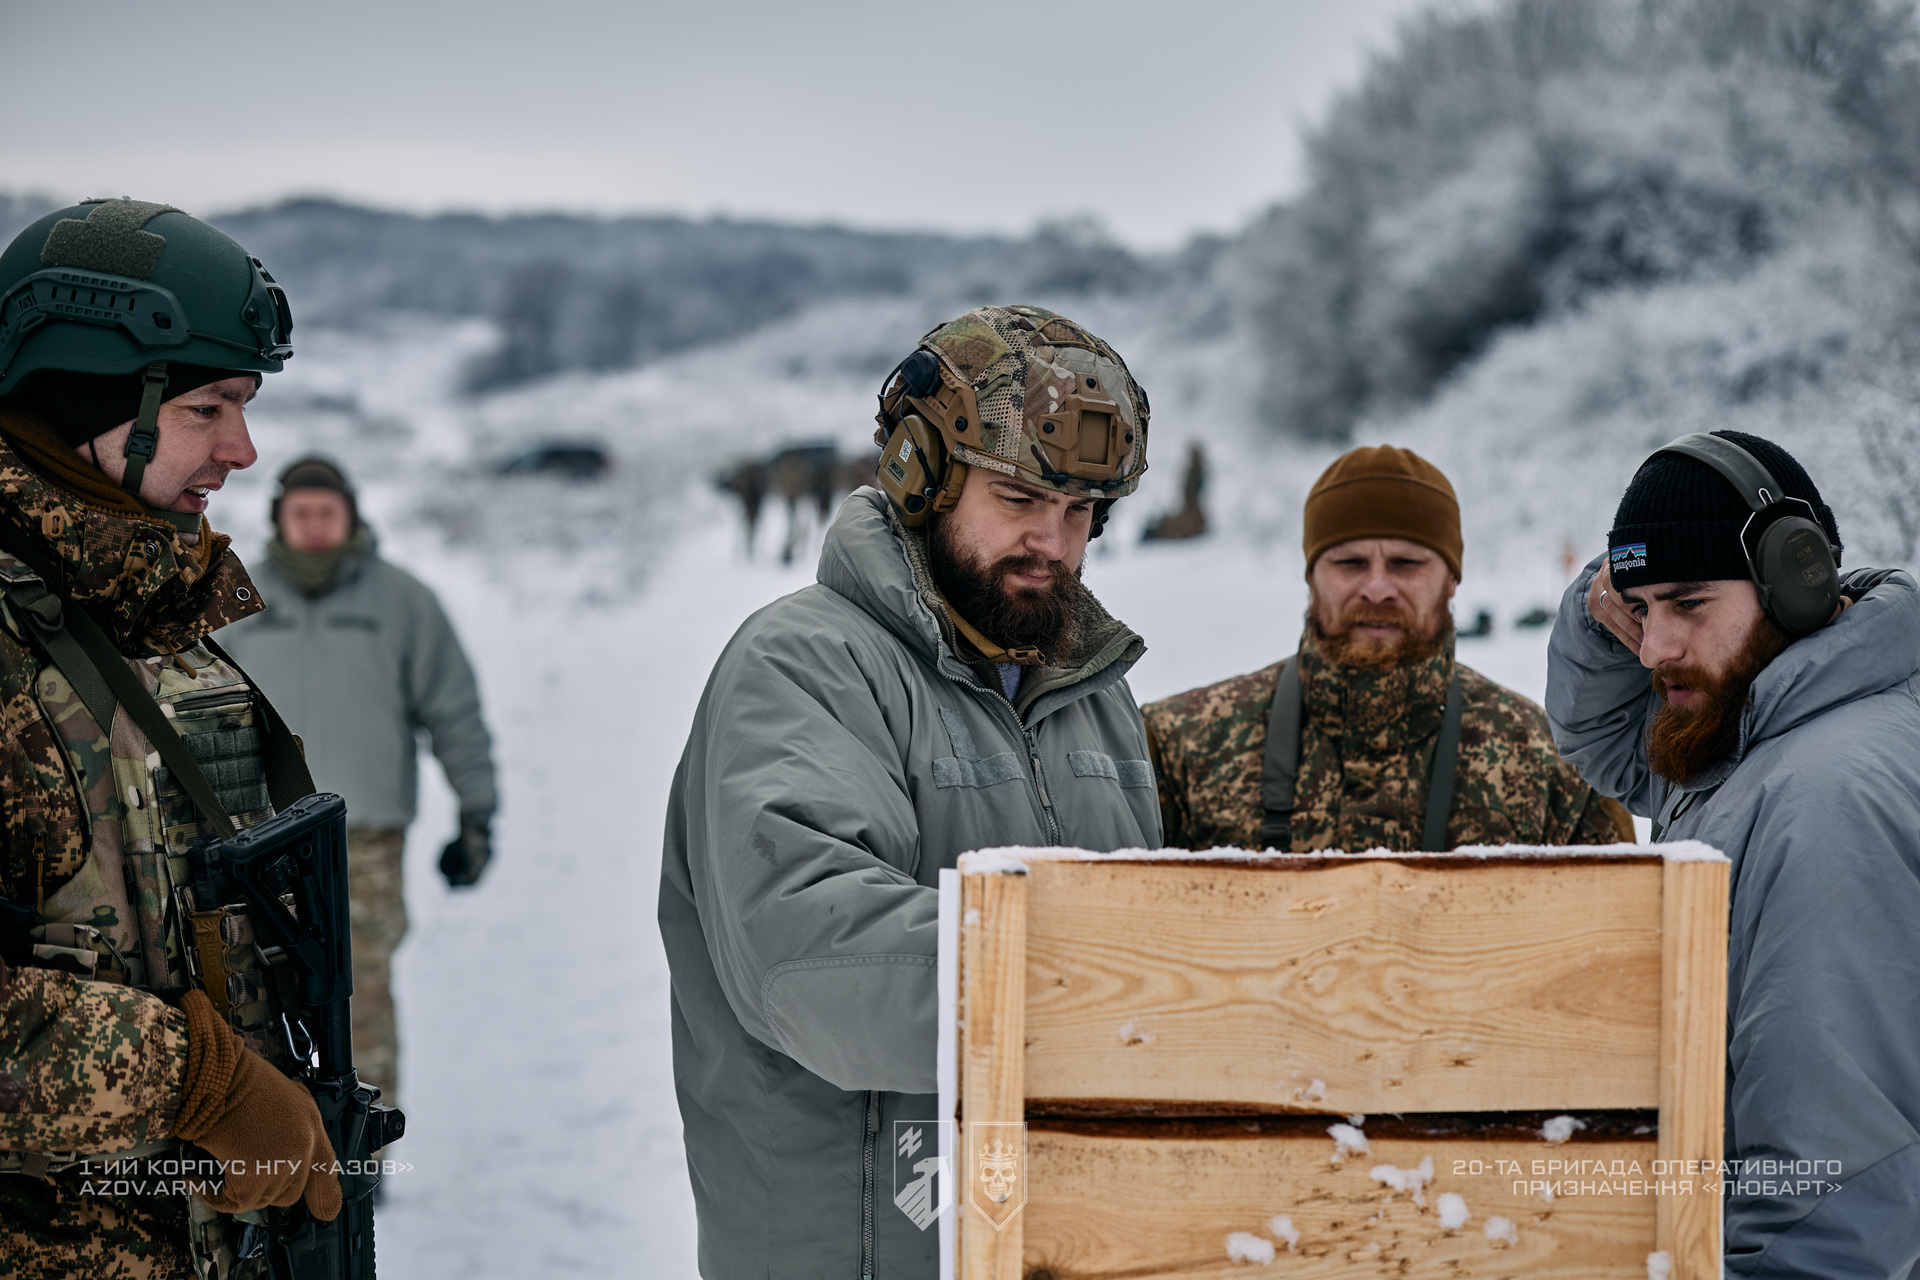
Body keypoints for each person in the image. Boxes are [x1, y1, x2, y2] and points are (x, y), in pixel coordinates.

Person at [660, 305, 1161, 1278]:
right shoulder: (802, 664)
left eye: (1081, 513)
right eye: (1021, 496)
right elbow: (810, 962)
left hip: (1050, 1243)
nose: (1052, 542)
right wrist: (1137, 989)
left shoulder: (1091, 693)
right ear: (916, 473)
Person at [0, 199, 340, 1275]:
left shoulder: (137, 615)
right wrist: (197, 1083)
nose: (244, 449)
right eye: (208, 407)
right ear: (83, 401)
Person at [1547, 430, 1920, 1276]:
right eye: (1638, 611)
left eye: (1688, 604)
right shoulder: (1759, 726)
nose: (1651, 650)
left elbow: (1838, 1193)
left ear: (1797, 583)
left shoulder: (1823, 802)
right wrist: (1601, 605)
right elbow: (1604, 742)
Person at [1146, 445, 1631, 852]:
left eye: (1406, 563)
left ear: (1452, 579)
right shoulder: (1177, 750)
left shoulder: (1557, 771)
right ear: (1311, 574)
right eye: (1350, 562)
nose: (1377, 588)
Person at [220, 456, 498, 1104]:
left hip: (363, 844)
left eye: (327, 513)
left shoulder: (403, 601)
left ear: (351, 516)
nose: (314, 526)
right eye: (301, 514)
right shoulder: (238, 602)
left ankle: (361, 1154)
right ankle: (281, 1157)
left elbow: (454, 712)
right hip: (258, 847)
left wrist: (477, 814)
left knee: (357, 990)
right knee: (254, 995)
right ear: (278, 520)